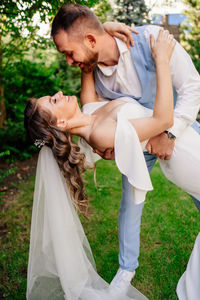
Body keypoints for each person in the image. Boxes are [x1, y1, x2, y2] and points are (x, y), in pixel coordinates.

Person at [50, 4, 200, 289]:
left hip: (177, 133)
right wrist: (113, 146)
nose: (69, 61)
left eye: (70, 53)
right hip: (137, 146)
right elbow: (95, 115)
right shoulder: (91, 72)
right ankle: (126, 269)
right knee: (130, 204)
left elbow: (193, 86)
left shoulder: (153, 39)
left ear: (91, 40)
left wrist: (169, 132)